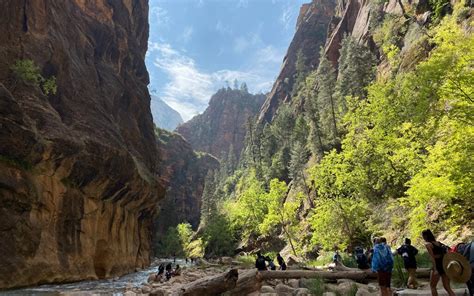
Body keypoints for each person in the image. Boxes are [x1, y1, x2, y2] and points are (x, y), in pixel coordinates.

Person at [422, 229, 455, 296]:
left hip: (437, 266)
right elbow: (447, 251)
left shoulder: (428, 244)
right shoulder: (439, 243)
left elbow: (432, 257)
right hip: (444, 265)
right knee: (447, 287)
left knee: (432, 286)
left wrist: (435, 269)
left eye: (423, 236)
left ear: (425, 236)